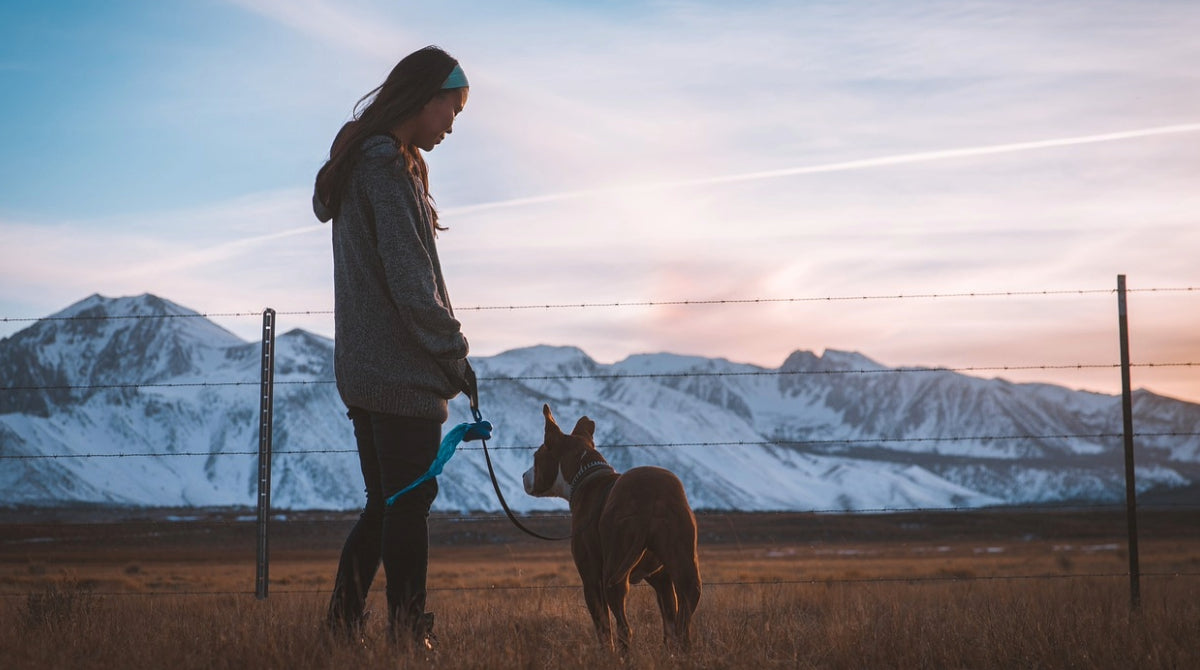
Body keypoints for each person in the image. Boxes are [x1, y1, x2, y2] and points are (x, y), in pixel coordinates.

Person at [312, 45, 474, 650]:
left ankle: (340, 627)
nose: (452, 126)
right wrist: (455, 354)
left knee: (386, 504)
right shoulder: (385, 167)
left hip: (364, 368)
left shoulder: (363, 163)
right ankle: (408, 636)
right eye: (452, 110)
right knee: (406, 506)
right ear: (426, 97)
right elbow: (412, 284)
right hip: (401, 371)